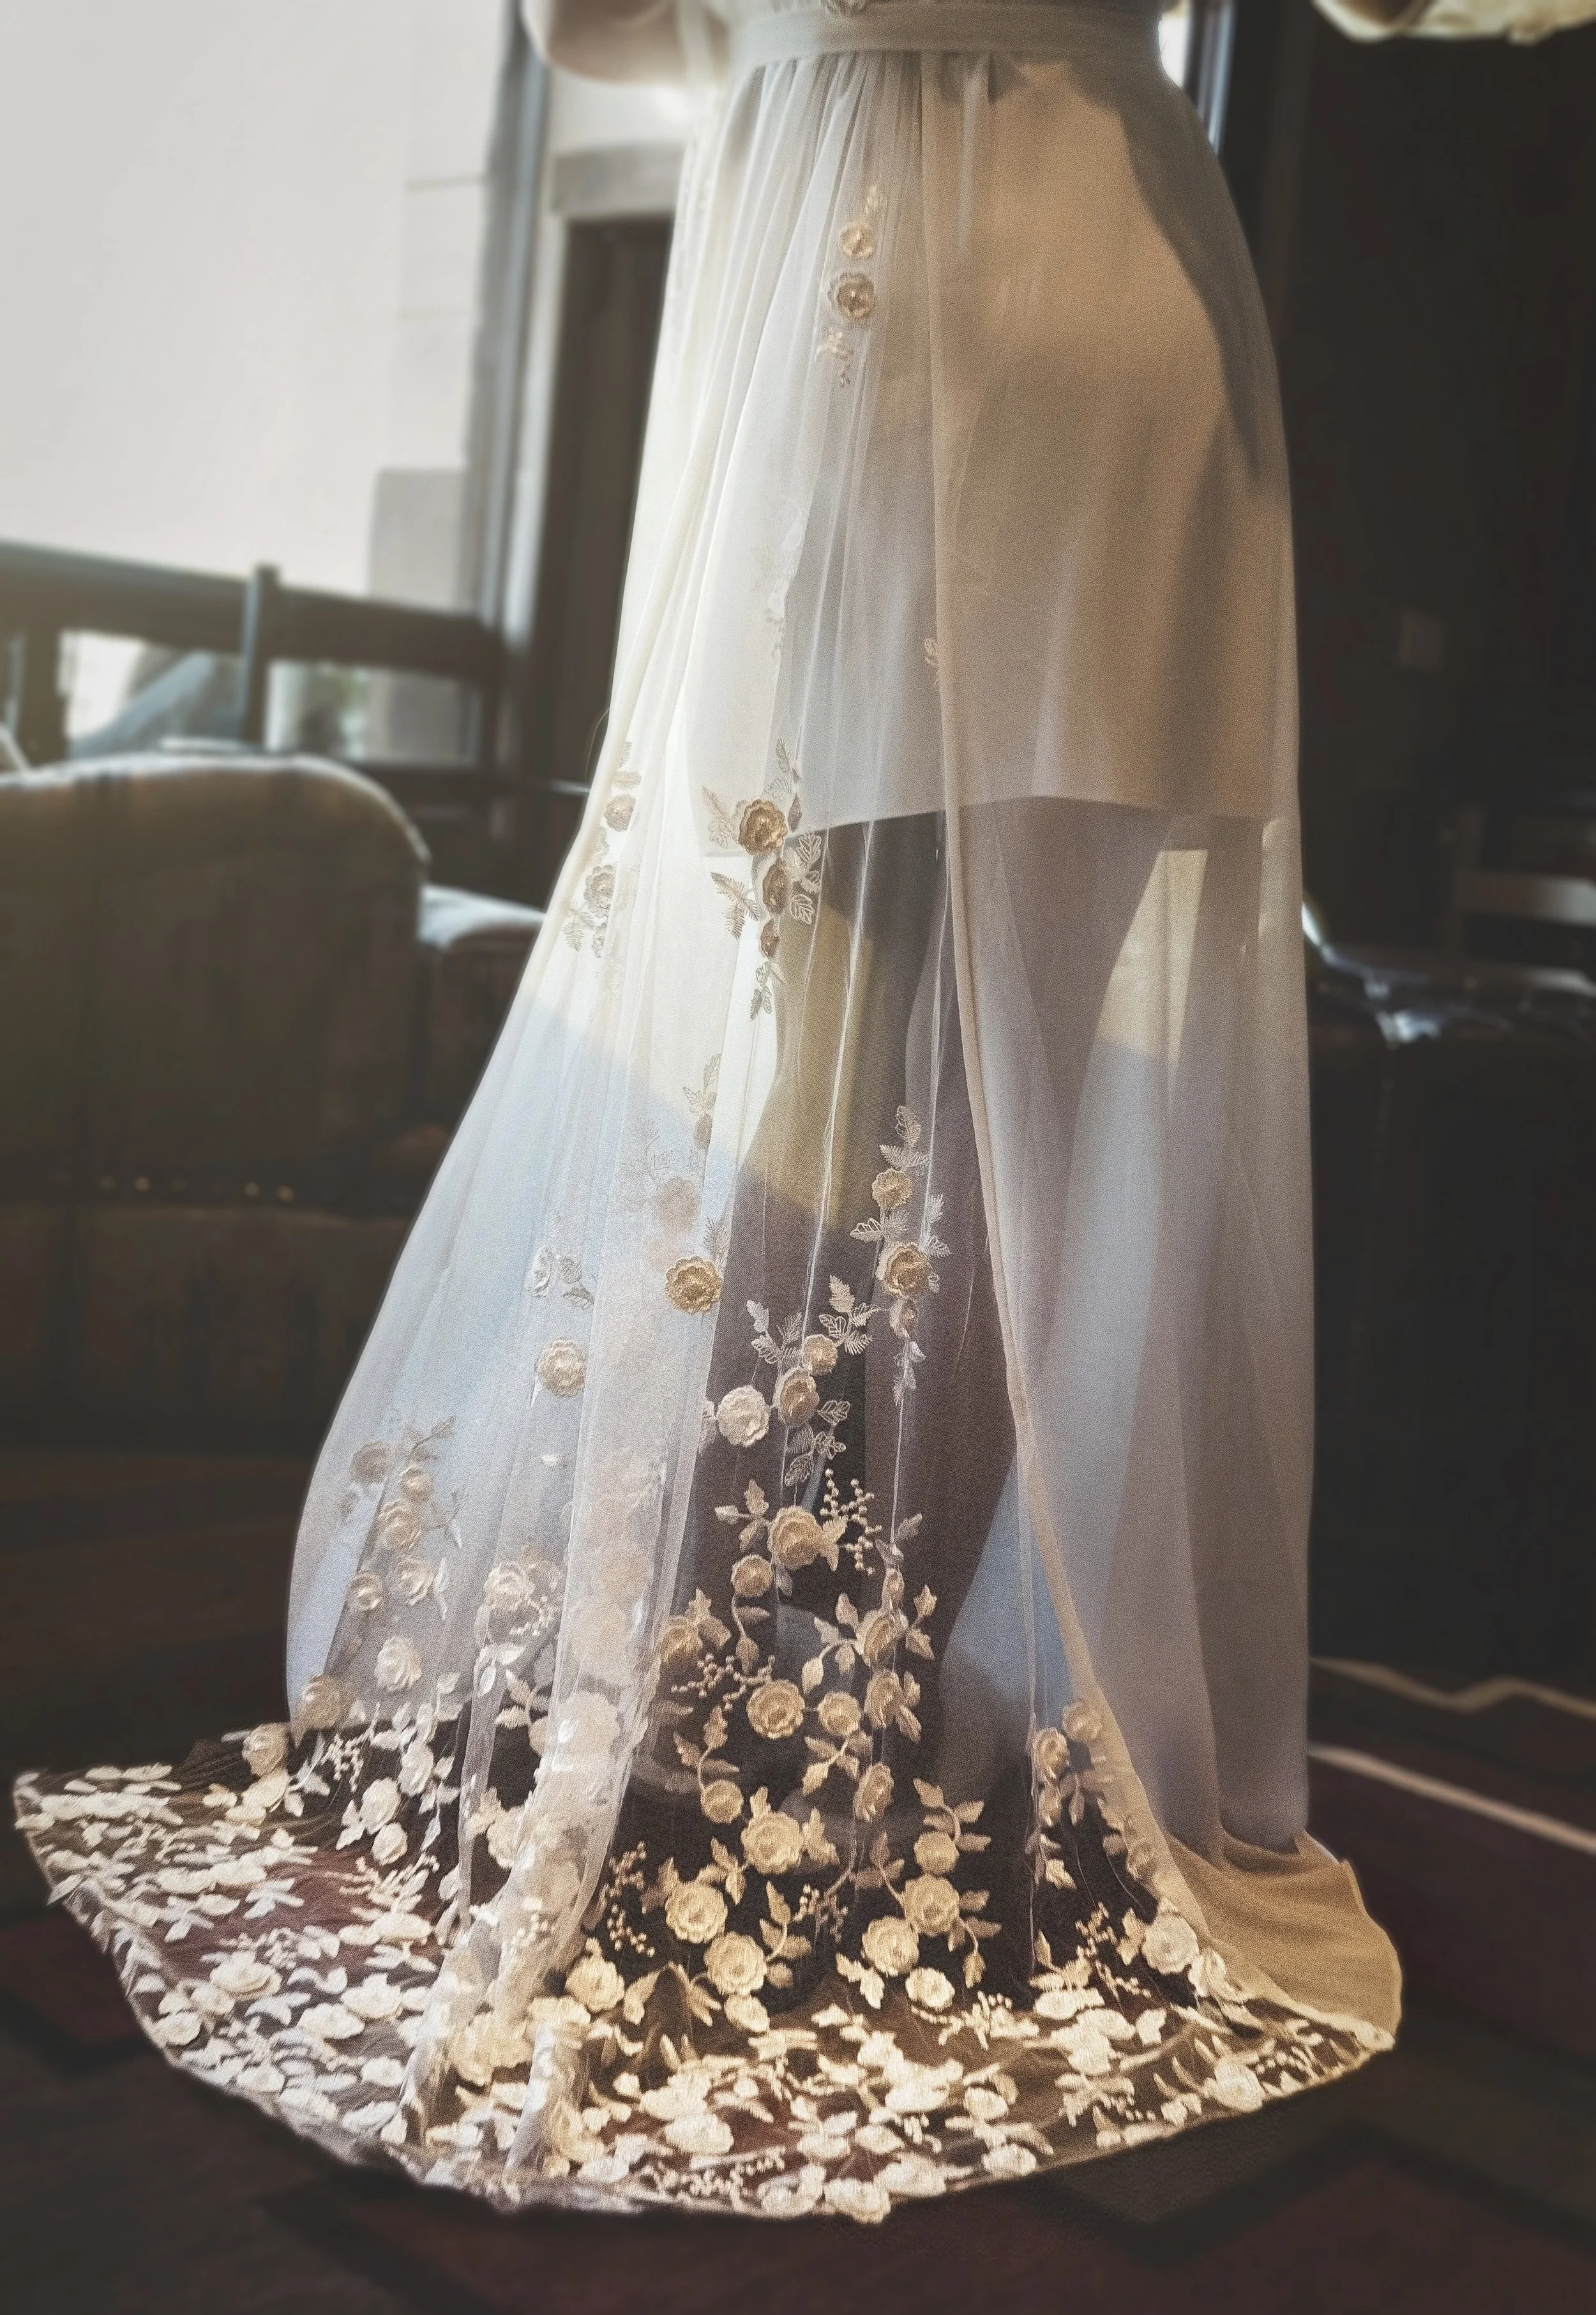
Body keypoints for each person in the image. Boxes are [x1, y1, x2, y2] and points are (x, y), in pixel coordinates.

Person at [24, 0, 1582, 2224]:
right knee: (1015, 1155)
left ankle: (696, 1762)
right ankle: (860, 1778)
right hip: (1118, 332)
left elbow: (593, 30)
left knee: (801, 1103)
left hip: (886, 330)